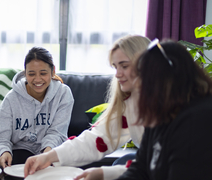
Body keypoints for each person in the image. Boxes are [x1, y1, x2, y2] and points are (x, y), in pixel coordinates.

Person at [24, 35, 150, 180]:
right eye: (116, 67)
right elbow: (97, 139)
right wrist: (48, 157)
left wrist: (104, 173)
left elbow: (159, 165)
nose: (118, 74)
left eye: (125, 66)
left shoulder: (170, 107)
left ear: (145, 64)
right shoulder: (131, 104)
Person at [116, 40, 212, 179]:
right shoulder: (160, 113)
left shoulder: (198, 121)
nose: (138, 85)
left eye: (145, 79)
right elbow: (140, 169)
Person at [0, 47, 74, 168]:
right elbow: (1, 138)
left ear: (53, 71)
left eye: (43, 73)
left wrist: (46, 156)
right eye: (31, 74)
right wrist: (4, 152)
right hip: (19, 153)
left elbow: (57, 133)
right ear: (25, 73)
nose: (38, 79)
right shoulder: (10, 99)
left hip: (50, 151)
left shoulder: (63, 94)